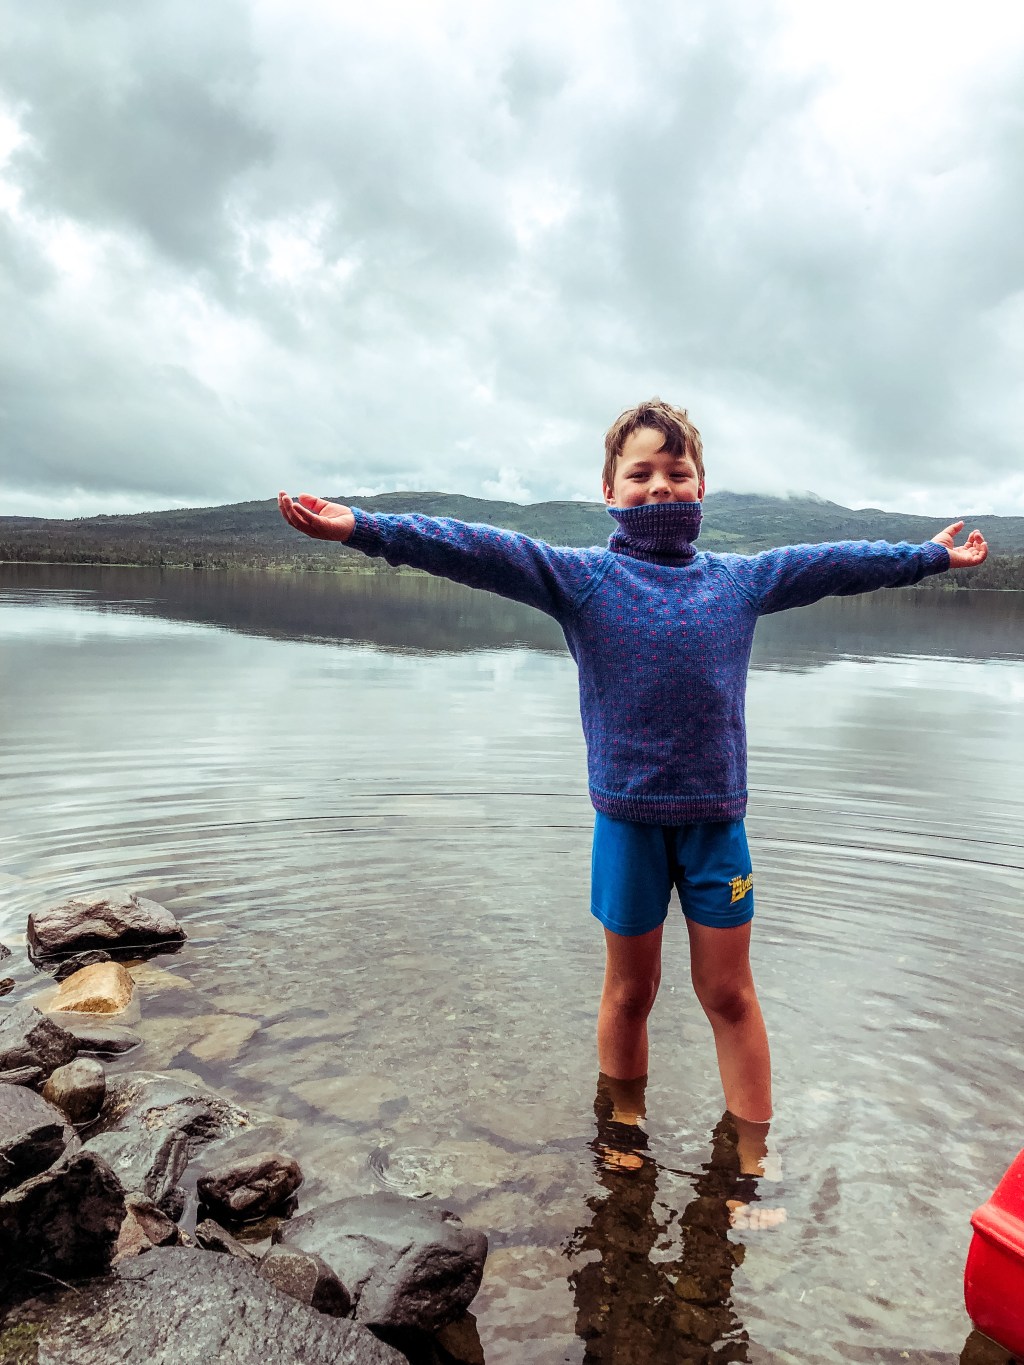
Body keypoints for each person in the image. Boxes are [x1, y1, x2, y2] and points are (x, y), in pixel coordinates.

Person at [277, 398, 988, 1129]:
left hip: (718, 828)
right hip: (627, 826)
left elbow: (835, 564)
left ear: (701, 487)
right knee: (629, 994)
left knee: (730, 995)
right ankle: (623, 1136)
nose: (659, 486)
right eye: (640, 472)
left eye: (677, 472)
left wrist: (928, 555)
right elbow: (476, 547)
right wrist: (366, 527)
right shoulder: (582, 580)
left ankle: (747, 1162)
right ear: (610, 492)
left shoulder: (738, 583)